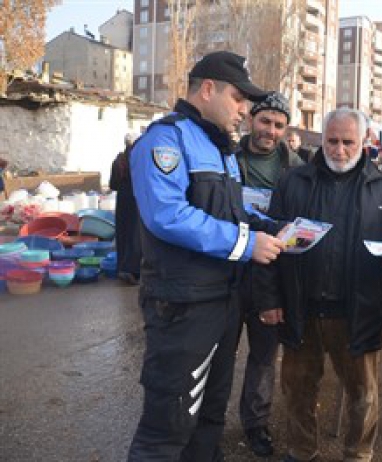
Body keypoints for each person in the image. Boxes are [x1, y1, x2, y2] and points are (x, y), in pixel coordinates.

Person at [126, 50, 287, 461]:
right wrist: (248, 244)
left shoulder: (220, 149)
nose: (244, 110)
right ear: (208, 89)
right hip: (183, 306)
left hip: (222, 301)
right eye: (238, 98)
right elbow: (168, 215)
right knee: (168, 426)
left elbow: (231, 209)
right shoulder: (166, 140)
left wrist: (270, 227)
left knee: (210, 416)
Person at [256, 107, 382, 462]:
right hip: (301, 305)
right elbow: (268, 241)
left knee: (364, 393)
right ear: (322, 139)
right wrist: (269, 299)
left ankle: (358, 453)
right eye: (332, 140)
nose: (339, 150)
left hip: (357, 308)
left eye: (348, 142)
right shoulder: (292, 181)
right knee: (298, 388)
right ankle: (302, 451)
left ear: (365, 142)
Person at [233, 91, 303, 457]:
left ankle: (255, 424)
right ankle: (205, 420)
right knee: (217, 351)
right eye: (265, 122)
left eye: (278, 125)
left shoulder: (297, 169)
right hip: (226, 271)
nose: (271, 131)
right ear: (250, 121)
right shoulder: (227, 158)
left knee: (263, 356)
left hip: (271, 276)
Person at [109, 132, 141, 284]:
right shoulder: (141, 158)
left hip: (122, 198)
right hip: (138, 198)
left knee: (122, 231)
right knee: (136, 233)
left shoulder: (118, 160)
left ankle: (121, 268)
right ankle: (134, 270)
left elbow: (112, 185)